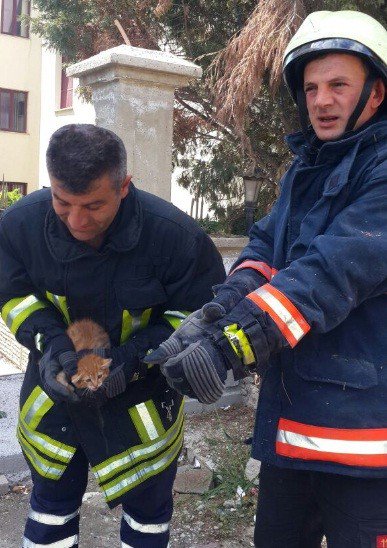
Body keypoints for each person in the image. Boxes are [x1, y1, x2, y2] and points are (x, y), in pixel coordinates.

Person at [146, 10, 387, 547]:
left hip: (366, 442)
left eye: (339, 85)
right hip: (293, 430)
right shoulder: (305, 170)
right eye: (311, 88)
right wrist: (215, 315)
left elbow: (330, 273)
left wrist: (234, 344)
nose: (321, 101)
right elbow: (263, 254)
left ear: (376, 92)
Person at [0, 123, 225, 548]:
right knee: (49, 512)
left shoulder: (177, 238)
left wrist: (135, 359)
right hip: (54, 408)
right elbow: (12, 296)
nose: (76, 221)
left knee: (148, 519)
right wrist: (50, 345)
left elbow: (196, 315)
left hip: (140, 413)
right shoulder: (18, 226)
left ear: (124, 187)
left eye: (93, 205)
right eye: (62, 202)